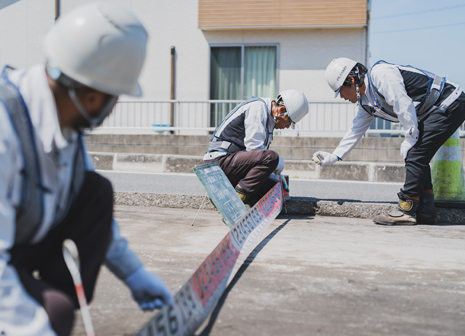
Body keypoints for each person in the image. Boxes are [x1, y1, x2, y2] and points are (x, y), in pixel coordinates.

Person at [0, 4, 173, 336]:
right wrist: (35, 328)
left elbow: (92, 213)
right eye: (115, 97)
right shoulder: (6, 128)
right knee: (53, 316)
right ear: (93, 96)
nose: (114, 108)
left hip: (15, 247)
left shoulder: (66, 127)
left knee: (94, 191)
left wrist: (134, 274)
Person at [313, 58, 464, 225]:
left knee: (415, 154)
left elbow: (402, 103)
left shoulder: (380, 75)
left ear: (351, 80)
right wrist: (334, 156)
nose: (341, 97)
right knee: (417, 155)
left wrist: (410, 136)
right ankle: (426, 210)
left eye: (340, 91)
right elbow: (356, 130)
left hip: (449, 102)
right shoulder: (366, 103)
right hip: (433, 110)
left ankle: (406, 209)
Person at [204, 90, 309, 205]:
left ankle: (224, 194)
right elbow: (255, 151)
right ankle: (236, 200)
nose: (288, 126)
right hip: (218, 163)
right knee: (272, 157)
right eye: (289, 121)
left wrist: (276, 178)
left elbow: (255, 161)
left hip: (231, 164)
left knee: (273, 187)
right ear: (281, 110)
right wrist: (278, 163)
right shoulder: (258, 108)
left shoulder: (268, 118)